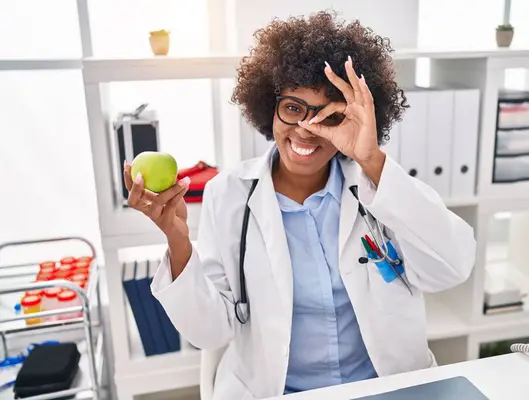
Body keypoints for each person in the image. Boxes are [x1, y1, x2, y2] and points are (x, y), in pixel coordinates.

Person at [123, 11, 476, 400]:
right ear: (269, 106)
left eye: (329, 114)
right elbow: (210, 332)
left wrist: (372, 159)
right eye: (293, 108)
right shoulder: (230, 195)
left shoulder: (379, 186)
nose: (306, 128)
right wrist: (177, 240)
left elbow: (453, 266)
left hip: (384, 388)